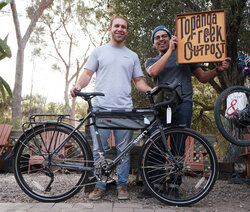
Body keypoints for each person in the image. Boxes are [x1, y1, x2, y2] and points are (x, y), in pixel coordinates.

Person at [138, 25, 231, 199]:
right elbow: (153, 72)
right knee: (156, 142)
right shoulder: (151, 61)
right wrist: (171, 50)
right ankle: (156, 184)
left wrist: (218, 69)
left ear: (170, 37)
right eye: (157, 37)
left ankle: (174, 185)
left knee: (179, 146)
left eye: (164, 36)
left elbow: (202, 78)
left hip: (183, 103)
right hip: (162, 106)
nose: (161, 39)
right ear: (154, 44)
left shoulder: (186, 57)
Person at [70, 15, 152, 201]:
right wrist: (78, 86)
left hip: (124, 110)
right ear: (110, 29)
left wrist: (150, 90)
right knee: (100, 150)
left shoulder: (132, 55)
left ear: (127, 31)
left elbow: (138, 81)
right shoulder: (99, 52)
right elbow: (87, 73)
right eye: (117, 26)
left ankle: (122, 185)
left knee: (124, 150)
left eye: (123, 26)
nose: (120, 29)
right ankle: (100, 185)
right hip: (101, 109)